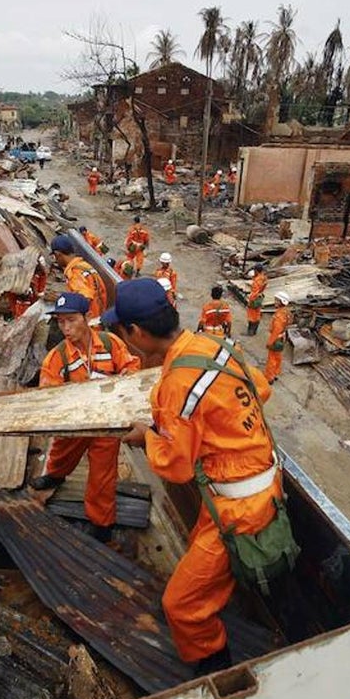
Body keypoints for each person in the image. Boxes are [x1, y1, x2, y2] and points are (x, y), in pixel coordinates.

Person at [104, 279, 285, 676]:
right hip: (258, 482)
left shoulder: (177, 384)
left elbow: (176, 465)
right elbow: (261, 391)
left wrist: (147, 436)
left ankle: (215, 670)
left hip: (238, 507)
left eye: (121, 330)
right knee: (199, 557)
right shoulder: (215, 347)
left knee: (181, 606)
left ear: (135, 332)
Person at [30, 292, 140, 542]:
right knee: (61, 451)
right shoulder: (57, 357)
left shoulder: (110, 344)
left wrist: (120, 382)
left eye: (71, 320)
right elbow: (48, 395)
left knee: (103, 475)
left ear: (87, 317)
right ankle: (55, 475)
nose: (66, 328)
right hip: (75, 423)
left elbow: (131, 367)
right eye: (60, 322)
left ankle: (102, 524)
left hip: (106, 425)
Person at [49, 234, 107, 324]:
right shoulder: (84, 266)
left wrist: (63, 304)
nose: (56, 261)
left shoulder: (74, 273)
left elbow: (85, 297)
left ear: (58, 254)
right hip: (99, 316)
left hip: (90, 323)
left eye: (55, 257)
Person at [264, 294, 292, 381]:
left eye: (277, 300)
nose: (275, 302)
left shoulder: (279, 315)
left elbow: (276, 330)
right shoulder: (286, 312)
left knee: (271, 358)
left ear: (282, 302)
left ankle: (269, 377)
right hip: (281, 338)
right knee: (278, 357)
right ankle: (275, 373)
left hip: (276, 339)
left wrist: (270, 342)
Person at [245, 265, 267, 336]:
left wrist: (250, 300)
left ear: (256, 271)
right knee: (257, 314)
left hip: (254, 298)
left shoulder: (257, 281)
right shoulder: (263, 278)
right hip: (260, 298)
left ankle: (250, 332)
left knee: (251, 315)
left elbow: (255, 291)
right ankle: (254, 331)